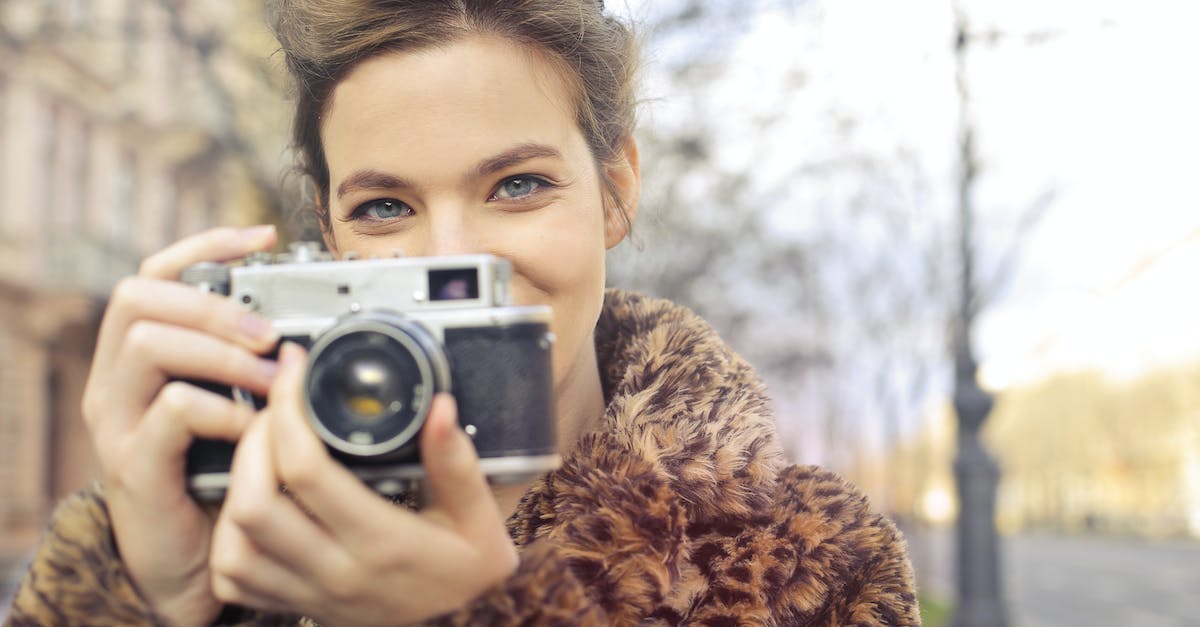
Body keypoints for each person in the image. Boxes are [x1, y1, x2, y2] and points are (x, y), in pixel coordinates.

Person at [7, 1, 920, 625]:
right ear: (328, 233)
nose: (453, 256)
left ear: (617, 190)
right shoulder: (241, 543)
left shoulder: (811, 566)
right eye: (384, 207)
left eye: (517, 185)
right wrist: (147, 596)